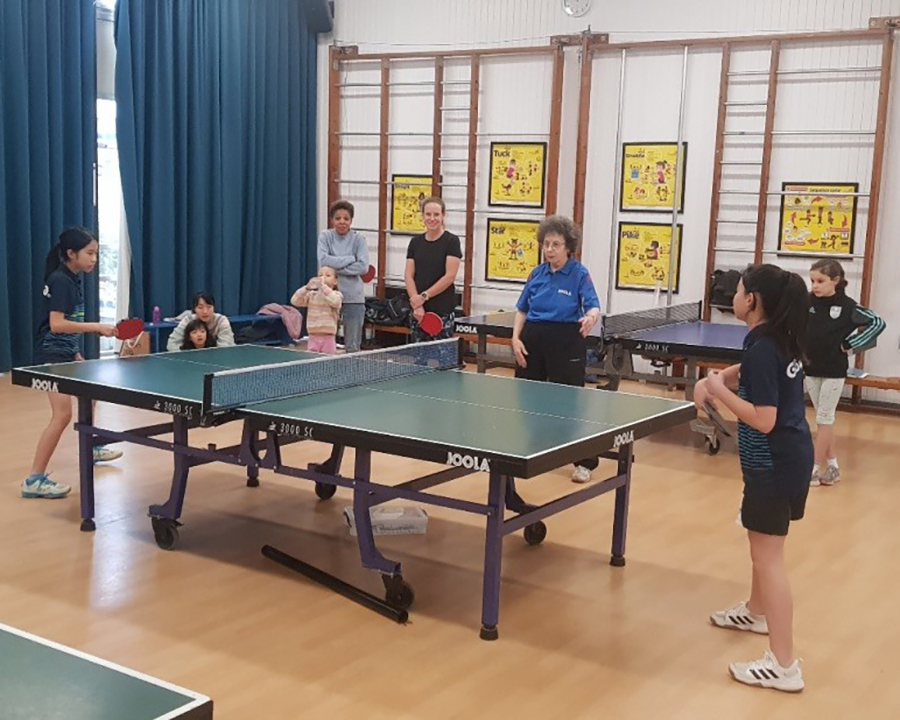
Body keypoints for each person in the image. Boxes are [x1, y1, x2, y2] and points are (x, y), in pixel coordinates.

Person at [695, 264, 812, 693]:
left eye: (740, 289)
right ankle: (756, 611)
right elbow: (748, 371)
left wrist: (715, 389)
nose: (735, 294)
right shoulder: (772, 338)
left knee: (769, 557)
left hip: (774, 463)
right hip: (787, 459)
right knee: (760, 544)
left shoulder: (764, 346)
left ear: (753, 300)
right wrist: (720, 379)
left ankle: (784, 666)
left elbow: (764, 419)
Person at [23, 228, 119, 499]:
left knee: (92, 392)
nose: (94, 259)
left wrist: (74, 351)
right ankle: (34, 479)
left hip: (64, 353)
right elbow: (57, 324)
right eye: (89, 253)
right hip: (51, 356)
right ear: (70, 254)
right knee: (62, 415)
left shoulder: (70, 278)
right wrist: (97, 327)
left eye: (96, 253)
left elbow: (64, 325)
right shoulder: (61, 280)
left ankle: (91, 447)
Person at [511, 215, 601, 484]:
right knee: (530, 399)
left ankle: (584, 462)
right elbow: (522, 309)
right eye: (546, 244)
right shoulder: (537, 274)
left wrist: (591, 317)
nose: (550, 249)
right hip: (533, 339)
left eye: (556, 244)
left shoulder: (579, 274)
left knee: (569, 402)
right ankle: (536, 450)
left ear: (568, 247)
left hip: (566, 340)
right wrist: (515, 339)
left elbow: (593, 305)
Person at [805, 259, 885, 486]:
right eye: (812, 281)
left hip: (833, 371)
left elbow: (877, 323)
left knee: (824, 418)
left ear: (836, 281)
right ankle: (833, 468)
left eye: (820, 281)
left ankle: (812, 469)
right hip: (810, 368)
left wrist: (851, 344)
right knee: (823, 421)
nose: (815, 286)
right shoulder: (807, 302)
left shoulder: (848, 306)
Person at [405, 197, 462, 342]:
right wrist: (416, 303)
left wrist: (423, 297)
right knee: (418, 359)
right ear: (422, 216)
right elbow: (408, 275)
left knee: (442, 360)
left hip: (442, 309)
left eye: (436, 214)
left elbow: (449, 277)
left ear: (443, 216)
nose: (432, 218)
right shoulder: (415, 242)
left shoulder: (452, 241)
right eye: (428, 214)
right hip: (418, 311)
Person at [317, 199, 370, 353]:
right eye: (337, 218)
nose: (342, 222)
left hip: (353, 297)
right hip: (326, 297)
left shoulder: (359, 239)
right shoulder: (325, 236)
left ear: (351, 220)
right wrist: (349, 259)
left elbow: (363, 267)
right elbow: (323, 260)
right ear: (332, 220)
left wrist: (334, 269)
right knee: (324, 343)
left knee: (352, 346)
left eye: (346, 218)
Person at [291, 267, 343, 354]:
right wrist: (306, 288)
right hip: (313, 336)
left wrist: (323, 286)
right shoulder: (312, 295)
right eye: (320, 275)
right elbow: (295, 301)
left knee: (327, 362)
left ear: (335, 281)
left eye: (328, 275)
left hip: (328, 337)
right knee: (313, 361)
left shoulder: (336, 294)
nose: (323, 277)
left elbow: (336, 302)